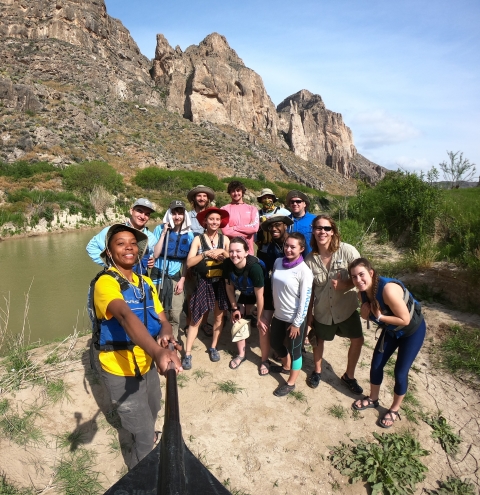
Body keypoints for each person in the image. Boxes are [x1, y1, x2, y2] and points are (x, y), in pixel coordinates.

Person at [91, 224, 181, 469]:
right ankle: (141, 477)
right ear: (109, 252)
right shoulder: (106, 283)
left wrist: (165, 333)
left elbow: (163, 319)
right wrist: (158, 351)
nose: (129, 246)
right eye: (120, 243)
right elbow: (125, 317)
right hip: (120, 371)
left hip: (148, 365)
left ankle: (148, 441)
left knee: (153, 411)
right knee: (142, 435)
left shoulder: (145, 283)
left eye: (132, 242)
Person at [349, 258, 426, 428]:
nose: (358, 280)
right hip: (391, 331)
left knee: (400, 373)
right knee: (376, 365)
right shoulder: (362, 292)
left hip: (411, 332)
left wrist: (380, 317)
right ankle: (373, 398)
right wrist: (364, 314)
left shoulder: (388, 290)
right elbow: (366, 315)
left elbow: (405, 319)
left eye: (361, 275)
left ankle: (394, 409)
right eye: (354, 277)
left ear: (371, 273)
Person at [304, 215, 364, 393]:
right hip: (322, 310)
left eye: (327, 228)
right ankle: (317, 371)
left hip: (346, 309)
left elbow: (363, 278)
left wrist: (345, 285)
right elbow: (310, 292)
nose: (322, 232)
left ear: (333, 231)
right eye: (318, 228)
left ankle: (349, 376)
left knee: (358, 340)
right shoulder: (309, 260)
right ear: (313, 231)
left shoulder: (348, 251)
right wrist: (309, 319)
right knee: (318, 340)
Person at [182, 207, 230, 370]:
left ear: (220, 221)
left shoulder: (225, 240)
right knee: (196, 318)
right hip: (203, 282)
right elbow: (189, 263)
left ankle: (213, 347)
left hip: (220, 283)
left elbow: (233, 262)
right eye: (211, 219)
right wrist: (205, 254)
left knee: (218, 318)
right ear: (205, 222)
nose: (214, 222)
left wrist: (224, 251)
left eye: (217, 219)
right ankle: (188, 353)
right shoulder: (198, 240)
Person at [270, 232, 313, 396]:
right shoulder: (278, 262)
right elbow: (275, 282)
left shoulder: (304, 271)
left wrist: (297, 323)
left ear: (301, 249)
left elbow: (305, 300)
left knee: (296, 351)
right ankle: (286, 366)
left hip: (294, 318)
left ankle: (291, 382)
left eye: (293, 247)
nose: (288, 249)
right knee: (275, 342)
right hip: (279, 314)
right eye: (286, 245)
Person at [223, 236, 272, 373]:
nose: (234, 255)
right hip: (246, 290)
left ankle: (264, 360)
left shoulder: (254, 268)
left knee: (263, 326)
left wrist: (261, 317)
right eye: (231, 251)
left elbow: (260, 295)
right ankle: (241, 354)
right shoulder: (227, 264)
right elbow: (229, 287)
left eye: (238, 251)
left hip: (264, 293)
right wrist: (234, 308)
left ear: (246, 252)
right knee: (237, 321)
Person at [151, 200, 194, 340]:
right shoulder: (159, 229)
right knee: (157, 311)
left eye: (180, 213)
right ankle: (155, 341)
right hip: (158, 276)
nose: (177, 217)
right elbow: (156, 254)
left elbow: (188, 261)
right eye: (174, 213)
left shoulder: (189, 234)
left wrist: (182, 280)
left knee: (174, 313)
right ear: (169, 214)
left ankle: (172, 340)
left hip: (176, 277)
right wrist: (163, 233)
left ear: (184, 215)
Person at [86, 198, 157, 275]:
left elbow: (150, 255)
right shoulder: (112, 231)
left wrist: (151, 261)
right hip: (116, 278)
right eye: (139, 211)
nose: (143, 216)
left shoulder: (151, 237)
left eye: (147, 214)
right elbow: (91, 247)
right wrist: (109, 263)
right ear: (131, 211)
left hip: (141, 280)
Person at [185, 185, 216, 336]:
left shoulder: (212, 215)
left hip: (209, 261)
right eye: (199, 196)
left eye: (204, 196)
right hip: (191, 259)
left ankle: (204, 323)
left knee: (207, 293)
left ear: (208, 199)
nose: (202, 198)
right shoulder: (187, 216)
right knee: (190, 293)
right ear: (194, 199)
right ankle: (190, 321)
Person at [221, 180, 259, 255]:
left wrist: (234, 228)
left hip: (248, 252)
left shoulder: (252, 209)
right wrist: (247, 232)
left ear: (242, 192)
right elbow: (226, 232)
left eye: (238, 190)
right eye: (233, 191)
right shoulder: (224, 209)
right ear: (229, 193)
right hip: (231, 252)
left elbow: (254, 228)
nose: (236, 193)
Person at [255, 188, 290, 264]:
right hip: (262, 250)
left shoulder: (282, 211)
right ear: (261, 200)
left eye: (269, 197)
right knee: (263, 272)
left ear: (273, 199)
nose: (267, 200)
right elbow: (254, 229)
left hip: (279, 249)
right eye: (264, 198)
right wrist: (256, 240)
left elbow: (291, 223)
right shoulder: (257, 213)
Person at [286, 190, 317, 256]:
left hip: (310, 260)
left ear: (304, 204)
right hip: (291, 260)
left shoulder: (314, 220)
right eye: (292, 202)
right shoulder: (285, 220)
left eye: (298, 201)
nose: (294, 204)